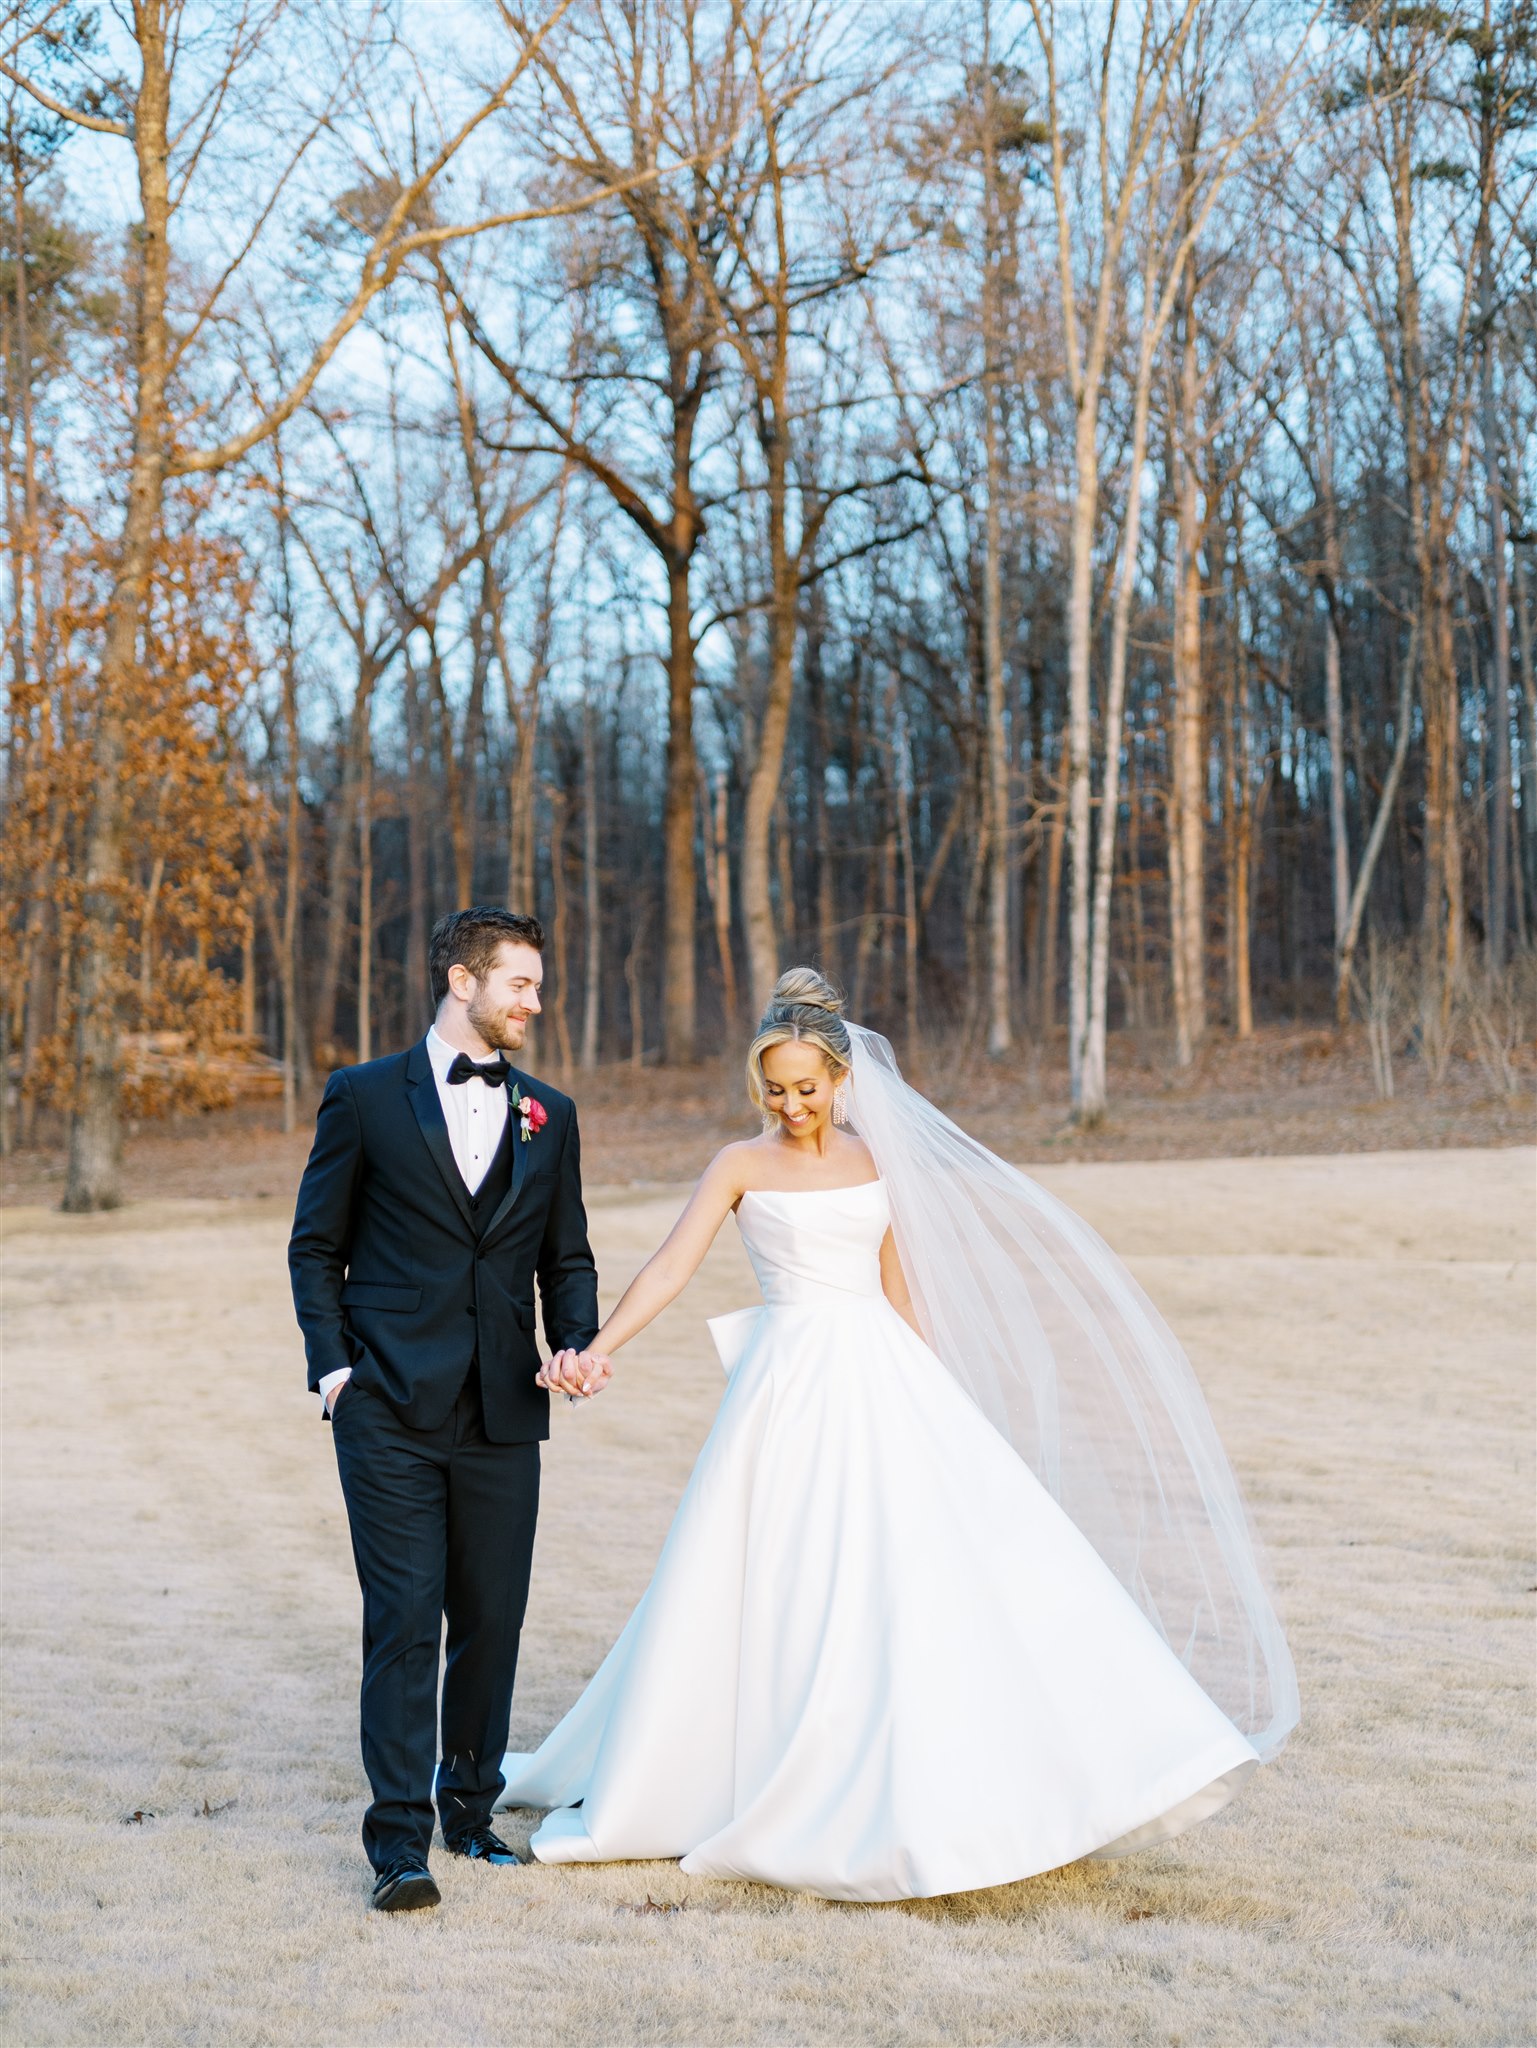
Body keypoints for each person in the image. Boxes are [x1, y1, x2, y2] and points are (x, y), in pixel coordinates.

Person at [500, 966, 1299, 1903]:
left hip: (883, 1376)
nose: (791, 1106)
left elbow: (899, 1288)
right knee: (773, 1570)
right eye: (775, 1089)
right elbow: (672, 1269)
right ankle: (757, 1758)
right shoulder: (738, 1165)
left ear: (841, 1080)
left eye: (807, 1087)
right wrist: (594, 1349)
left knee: (931, 1572)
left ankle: (988, 1767)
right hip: (788, 1388)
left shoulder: (879, 1160)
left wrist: (937, 1390)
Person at [289, 907, 607, 1912]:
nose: (534, 1001)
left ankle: (469, 1811)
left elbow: (568, 1254)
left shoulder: (549, 1112)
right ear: (462, 981)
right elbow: (314, 1245)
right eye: (520, 982)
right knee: (403, 1621)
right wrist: (335, 1370)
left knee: (492, 1618)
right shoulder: (365, 1095)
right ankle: (398, 1847)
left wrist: (573, 1339)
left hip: (504, 1408)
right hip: (385, 1403)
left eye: (537, 983)